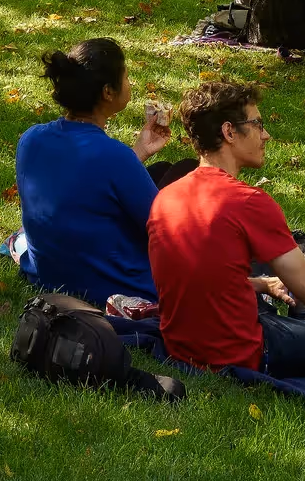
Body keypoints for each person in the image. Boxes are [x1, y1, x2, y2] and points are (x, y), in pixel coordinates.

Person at [146, 80, 305, 377]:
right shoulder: (248, 202)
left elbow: (199, 282)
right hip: (243, 354)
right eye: (258, 124)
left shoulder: (165, 198)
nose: (266, 135)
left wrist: (261, 284)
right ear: (229, 132)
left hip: (183, 349)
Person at [15, 39, 184, 307]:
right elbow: (164, 232)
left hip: (51, 273)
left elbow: (80, 184)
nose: (130, 83)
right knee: (184, 175)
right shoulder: (112, 155)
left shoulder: (31, 138)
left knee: (162, 171)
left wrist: (138, 152)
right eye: (126, 77)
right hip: (106, 283)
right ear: (108, 91)